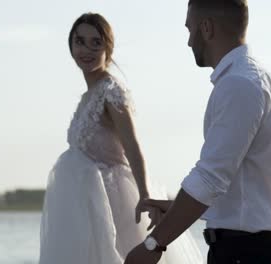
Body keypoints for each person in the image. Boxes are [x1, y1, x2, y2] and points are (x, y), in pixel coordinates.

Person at [125, 1, 271, 263]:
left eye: (189, 29)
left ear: (206, 28)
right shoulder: (257, 79)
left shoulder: (239, 84)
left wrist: (153, 244)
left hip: (248, 255)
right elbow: (241, 191)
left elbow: (209, 179)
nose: (188, 42)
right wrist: (176, 210)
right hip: (249, 252)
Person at [39, 12, 202, 264]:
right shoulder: (87, 95)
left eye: (96, 42)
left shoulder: (111, 91)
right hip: (84, 207)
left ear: (108, 48)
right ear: (71, 45)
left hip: (113, 203)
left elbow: (133, 147)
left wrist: (145, 194)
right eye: (80, 41)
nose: (86, 49)